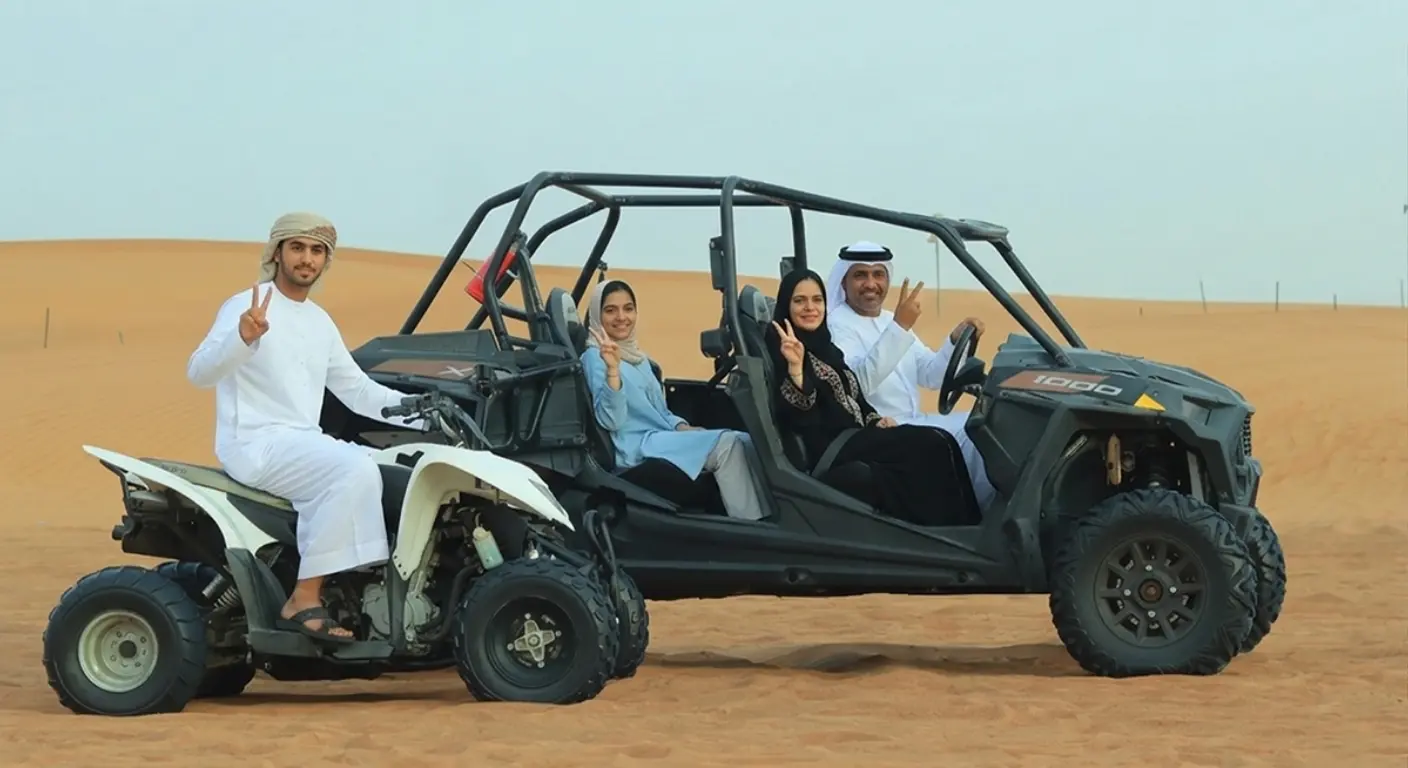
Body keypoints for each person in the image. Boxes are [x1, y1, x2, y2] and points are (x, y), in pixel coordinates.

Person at [186, 212, 424, 644]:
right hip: (255, 445)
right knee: (352, 471)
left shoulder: (318, 321)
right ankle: (304, 597)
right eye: (297, 248)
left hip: (302, 442)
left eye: (317, 251)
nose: (307, 259)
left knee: (394, 470)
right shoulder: (246, 304)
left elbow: (358, 391)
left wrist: (423, 412)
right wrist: (241, 338)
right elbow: (199, 373)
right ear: (277, 252)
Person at [764, 268, 981, 526]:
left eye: (817, 300)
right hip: (831, 446)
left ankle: (966, 526)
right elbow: (802, 416)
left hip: (858, 435)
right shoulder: (787, 348)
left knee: (941, 441)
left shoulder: (826, 347)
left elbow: (854, 395)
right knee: (932, 444)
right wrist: (797, 370)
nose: (810, 308)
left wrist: (875, 420)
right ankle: (955, 528)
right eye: (799, 301)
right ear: (787, 305)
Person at [824, 240, 998, 510]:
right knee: (973, 434)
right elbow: (858, 385)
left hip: (916, 420)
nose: (871, 283)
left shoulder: (889, 319)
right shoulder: (837, 325)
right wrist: (900, 326)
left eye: (878, 274)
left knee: (987, 425)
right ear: (843, 282)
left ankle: (985, 512)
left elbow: (930, 375)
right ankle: (974, 517)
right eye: (860, 275)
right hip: (882, 430)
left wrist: (954, 341)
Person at [580, 279, 768, 521]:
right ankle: (751, 528)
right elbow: (612, 421)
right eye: (610, 310)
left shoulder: (638, 358)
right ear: (596, 315)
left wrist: (682, 427)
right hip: (635, 445)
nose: (621, 317)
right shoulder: (596, 356)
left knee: (746, 440)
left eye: (628, 308)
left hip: (660, 435)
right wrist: (613, 371)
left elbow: (660, 411)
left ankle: (772, 521)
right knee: (728, 445)